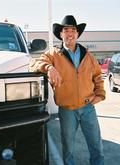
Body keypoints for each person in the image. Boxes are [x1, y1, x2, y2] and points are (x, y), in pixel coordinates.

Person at [29, 15, 105, 165]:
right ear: (61, 34)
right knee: (68, 148)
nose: (70, 33)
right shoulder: (54, 54)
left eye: (73, 30)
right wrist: (49, 67)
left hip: (88, 107)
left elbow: (97, 76)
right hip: (67, 110)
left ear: (77, 34)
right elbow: (33, 63)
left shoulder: (88, 56)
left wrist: (100, 94)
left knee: (96, 145)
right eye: (66, 30)